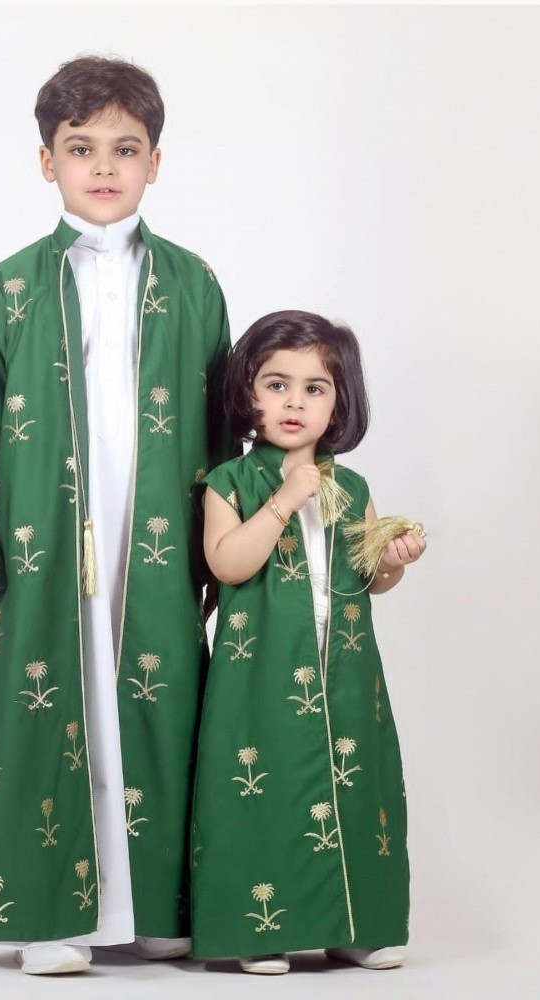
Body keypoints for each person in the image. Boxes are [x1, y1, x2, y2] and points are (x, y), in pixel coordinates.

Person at [0, 55, 232, 976]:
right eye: (81, 147)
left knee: (161, 701)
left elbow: (225, 418)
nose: (104, 166)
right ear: (46, 160)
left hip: (159, 523)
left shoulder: (193, 281)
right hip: (46, 528)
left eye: (125, 149)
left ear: (156, 162)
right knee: (47, 706)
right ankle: (46, 917)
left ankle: (158, 906)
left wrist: (226, 540)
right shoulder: (14, 283)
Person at [190, 311, 425, 974]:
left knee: (357, 788)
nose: (295, 403)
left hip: (343, 664)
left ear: (340, 403)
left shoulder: (352, 488)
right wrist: (284, 500)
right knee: (260, 789)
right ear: (247, 394)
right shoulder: (229, 483)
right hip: (261, 669)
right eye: (277, 385)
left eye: (314, 388)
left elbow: (371, 578)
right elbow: (227, 564)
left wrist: (395, 558)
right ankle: (257, 929)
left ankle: (357, 925)